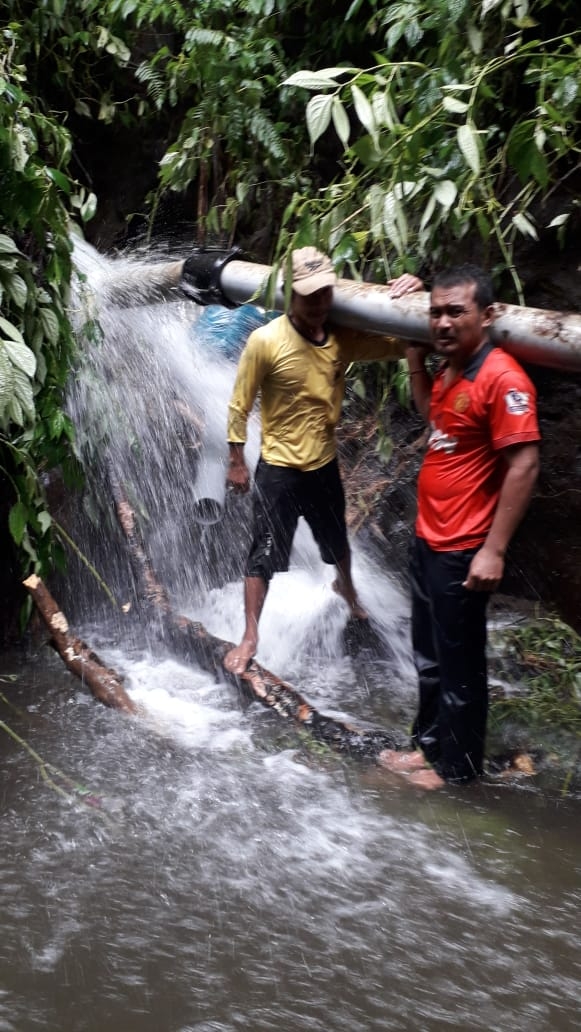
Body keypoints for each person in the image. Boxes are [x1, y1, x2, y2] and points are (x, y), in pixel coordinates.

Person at [224, 246, 423, 674]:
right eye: (308, 295)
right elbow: (239, 404)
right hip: (278, 467)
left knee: (336, 542)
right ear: (291, 294)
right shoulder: (266, 341)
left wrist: (412, 295)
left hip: (323, 464)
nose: (317, 305)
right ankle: (250, 635)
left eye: (324, 295)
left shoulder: (339, 337)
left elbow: (401, 340)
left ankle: (348, 592)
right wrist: (236, 459)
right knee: (263, 552)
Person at [380, 264, 541, 789]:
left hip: (462, 547)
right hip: (428, 538)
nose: (443, 323)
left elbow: (524, 464)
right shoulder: (452, 368)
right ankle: (427, 749)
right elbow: (435, 418)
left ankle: (457, 769)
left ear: (487, 315)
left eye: (456, 312)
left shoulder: (501, 376)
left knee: (460, 665)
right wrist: (412, 356)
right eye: (436, 313)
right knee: (429, 657)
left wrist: (493, 551)